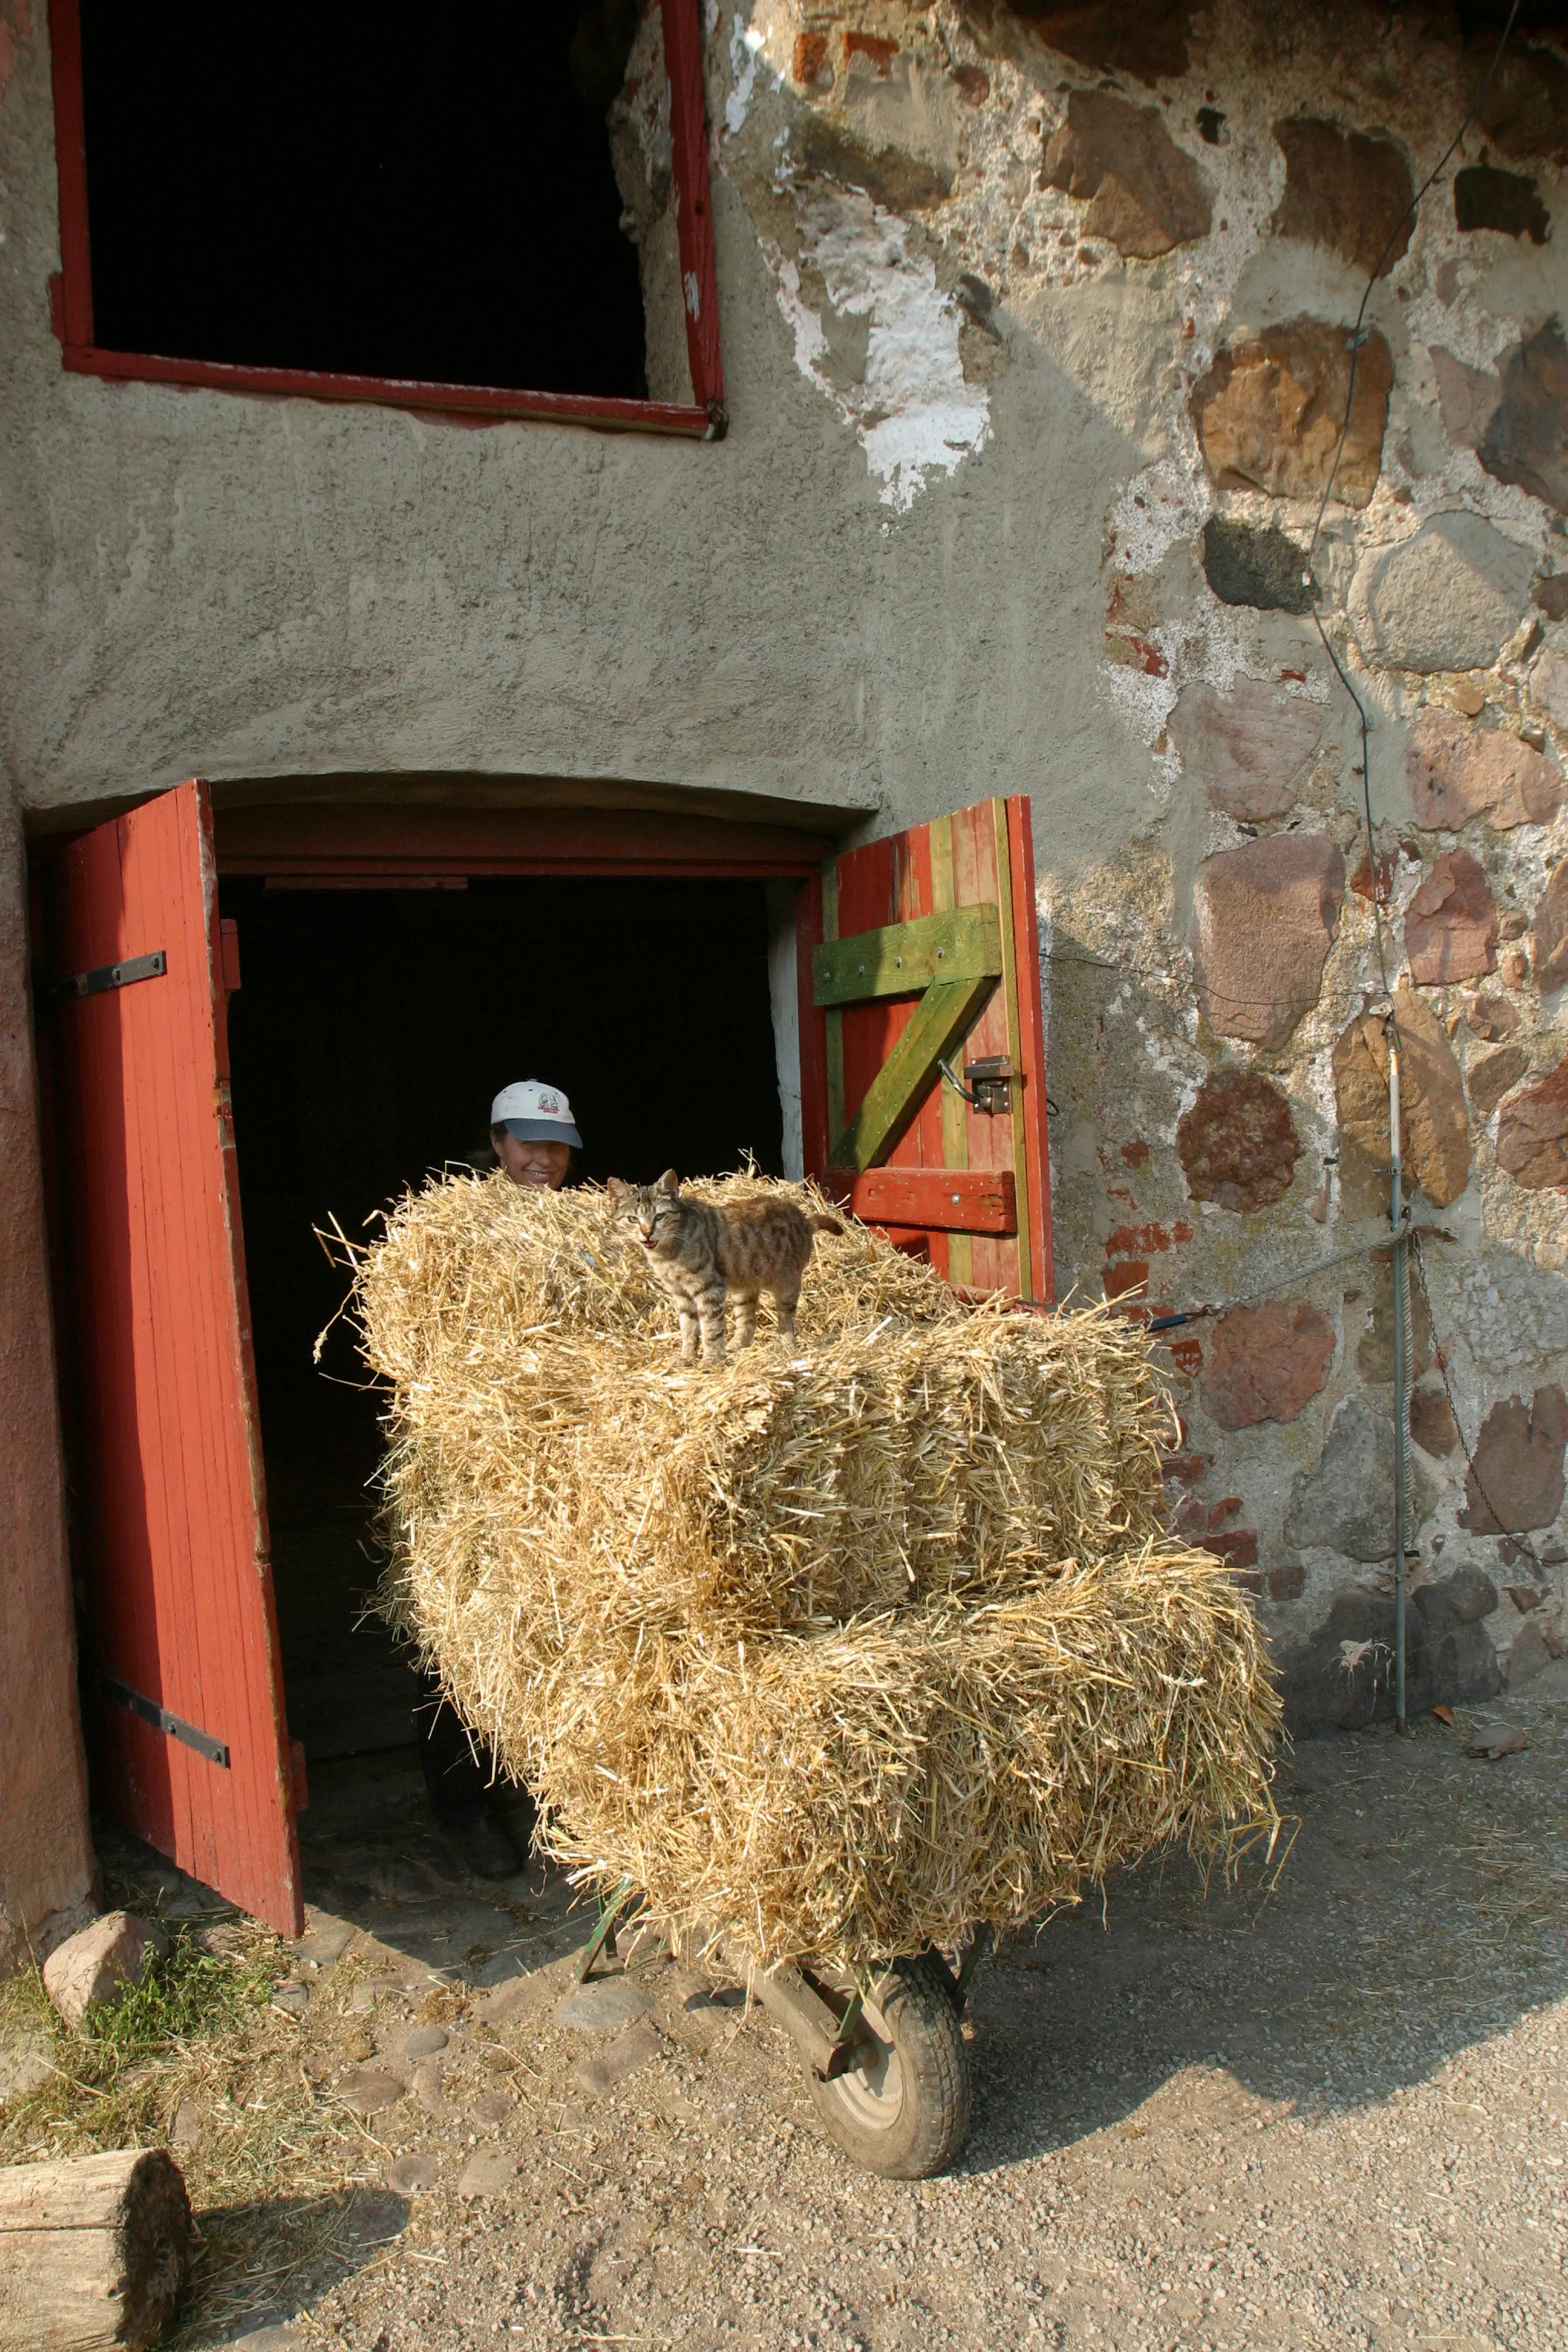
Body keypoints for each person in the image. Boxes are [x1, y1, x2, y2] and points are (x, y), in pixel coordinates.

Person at [414, 1079, 584, 1878]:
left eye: (555, 1146)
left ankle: (557, 1795)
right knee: (455, 1631)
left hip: (558, 1469)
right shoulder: (450, 1221)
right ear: (496, 1140)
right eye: (527, 1143)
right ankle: (461, 1807)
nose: (542, 1159)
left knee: (550, 1627)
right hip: (468, 1468)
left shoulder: (588, 1226)